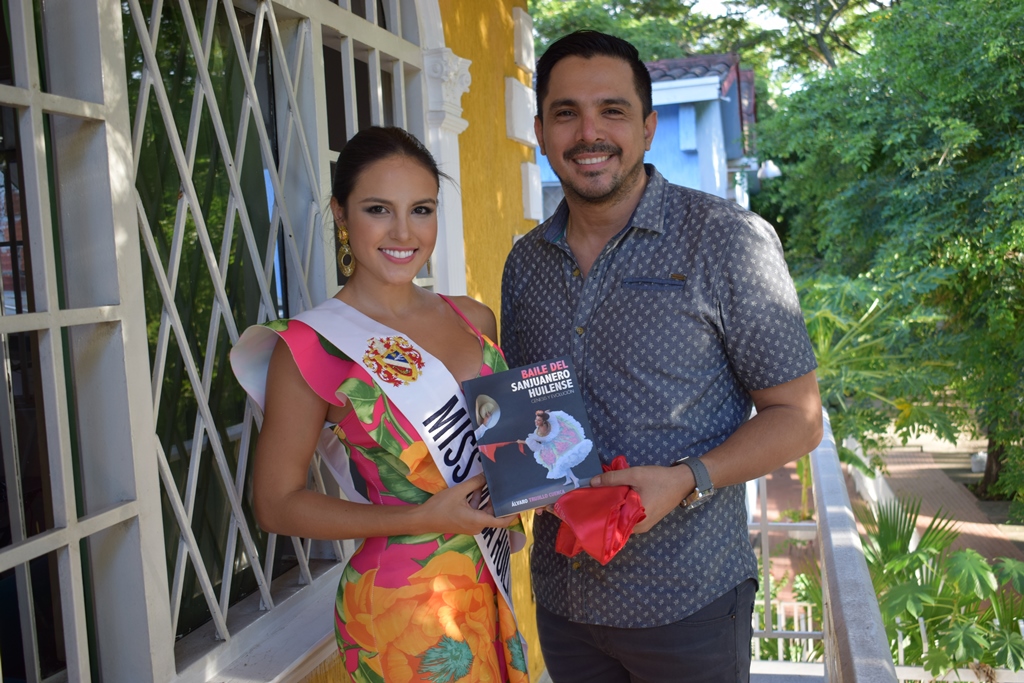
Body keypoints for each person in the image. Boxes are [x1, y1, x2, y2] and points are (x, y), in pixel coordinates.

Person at [500, 31, 823, 683]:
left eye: (612, 111)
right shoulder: (525, 263)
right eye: (566, 113)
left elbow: (798, 417)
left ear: (647, 128)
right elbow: (528, 414)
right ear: (540, 131)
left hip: (688, 602)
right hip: (563, 600)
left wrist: (687, 478)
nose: (589, 132)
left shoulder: (726, 241)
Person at [230, 126, 528, 683]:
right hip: (402, 609)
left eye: (421, 210)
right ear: (341, 214)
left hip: (487, 583)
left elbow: (500, 446)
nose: (403, 232)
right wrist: (420, 517)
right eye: (377, 209)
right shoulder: (312, 346)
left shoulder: (473, 318)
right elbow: (274, 504)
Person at [517, 410, 592, 487]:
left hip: (556, 446)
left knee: (561, 462)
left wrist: (522, 441)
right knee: (562, 463)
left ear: (543, 421)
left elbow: (542, 440)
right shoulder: (541, 426)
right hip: (552, 445)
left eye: (538, 420)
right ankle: (569, 479)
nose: (536, 421)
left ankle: (574, 478)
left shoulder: (543, 429)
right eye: (536, 419)